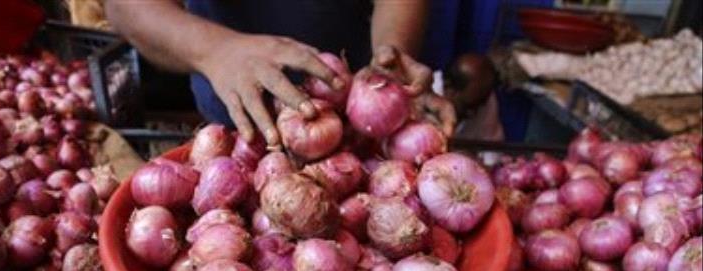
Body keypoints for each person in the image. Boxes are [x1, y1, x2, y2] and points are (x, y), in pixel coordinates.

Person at [104, 0, 455, 147]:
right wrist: (216, 50)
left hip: (357, 117)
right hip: (237, 124)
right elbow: (125, 6)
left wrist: (391, 52)